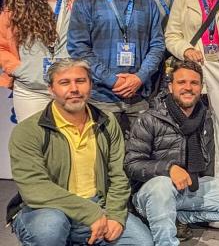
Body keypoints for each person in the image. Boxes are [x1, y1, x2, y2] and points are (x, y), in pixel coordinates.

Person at [8, 59, 152, 245]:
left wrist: (115, 215)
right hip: (48, 208)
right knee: (49, 228)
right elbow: (35, 188)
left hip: (98, 205)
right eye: (64, 82)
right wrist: (90, 213)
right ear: (51, 89)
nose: (74, 89)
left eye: (80, 81)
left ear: (91, 85)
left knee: (141, 242)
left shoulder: (107, 122)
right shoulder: (29, 130)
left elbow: (118, 175)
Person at [125, 60, 219, 245]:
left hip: (190, 187)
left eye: (194, 83)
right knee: (162, 186)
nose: (188, 88)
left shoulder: (205, 117)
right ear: (170, 86)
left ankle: (175, 217)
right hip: (153, 191)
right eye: (181, 82)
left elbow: (207, 161)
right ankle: (165, 238)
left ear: (201, 87)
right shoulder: (149, 119)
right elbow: (131, 164)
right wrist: (169, 169)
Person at [68, 0, 165, 132]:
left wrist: (139, 77)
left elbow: (157, 46)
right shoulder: (87, 0)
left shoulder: (147, 2)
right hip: (101, 98)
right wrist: (114, 80)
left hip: (139, 98)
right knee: (104, 160)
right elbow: (78, 48)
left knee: (140, 160)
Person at [0, 0, 80, 122]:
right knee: (35, 147)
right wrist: (18, 69)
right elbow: (1, 45)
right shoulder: (16, 8)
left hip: (69, 89)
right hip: (31, 91)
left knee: (69, 146)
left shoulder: (78, 0)